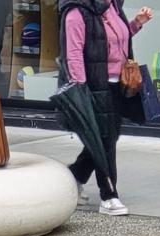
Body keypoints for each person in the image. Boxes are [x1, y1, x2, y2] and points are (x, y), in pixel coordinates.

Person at [59, 0, 154, 215]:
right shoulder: (76, 12)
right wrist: (81, 92)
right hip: (93, 87)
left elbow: (115, 40)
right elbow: (72, 54)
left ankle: (74, 177)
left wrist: (136, 24)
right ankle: (109, 196)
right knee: (105, 143)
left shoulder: (112, 6)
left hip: (116, 84)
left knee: (107, 138)